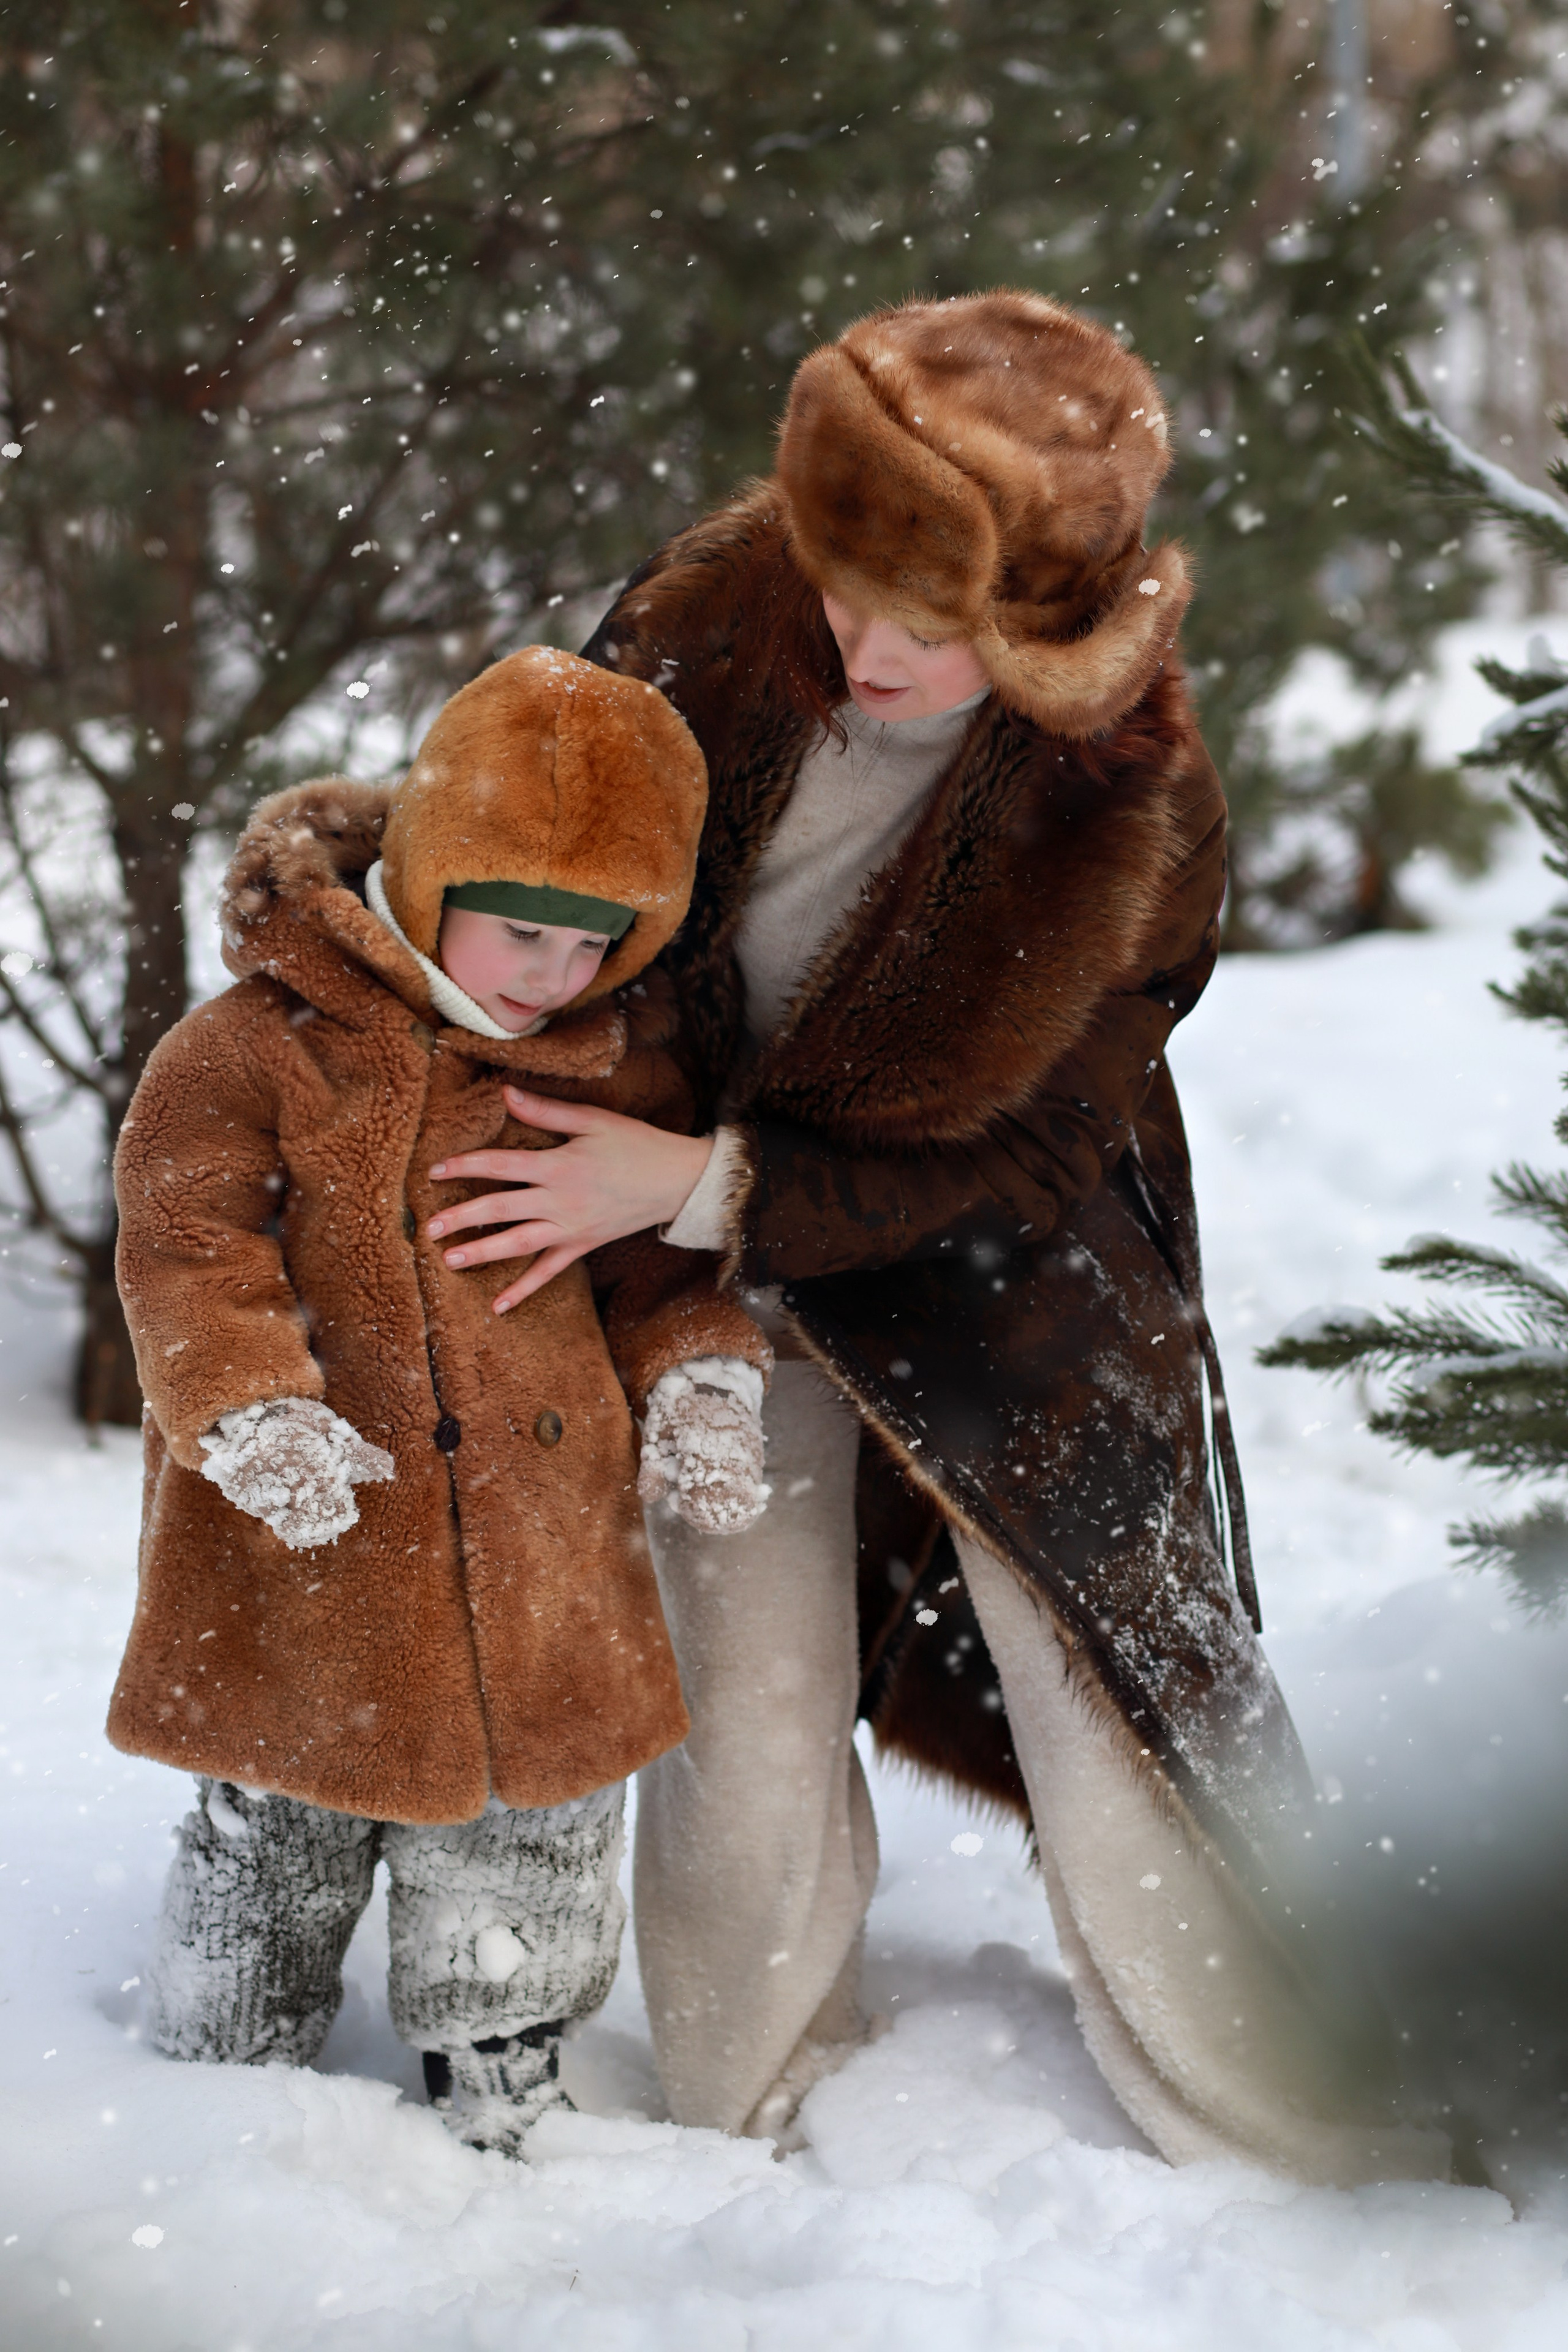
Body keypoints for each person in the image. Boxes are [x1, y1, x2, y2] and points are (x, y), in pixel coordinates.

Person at [426, 295, 1448, 2184]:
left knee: (1117, 1679)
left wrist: (705, 1183)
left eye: (941, 624)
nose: (874, 652)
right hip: (679, 1260)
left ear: (1052, 630)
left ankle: (1301, 2115)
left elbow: (1044, 1145)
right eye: (852, 587)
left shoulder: (1135, 800)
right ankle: (750, 2107)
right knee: (741, 1681)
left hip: (999, 1268)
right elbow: (535, 878)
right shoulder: (702, 622)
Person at [107, 646, 773, 2157]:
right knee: (275, 1827)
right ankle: (212, 2086)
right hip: (309, 1543)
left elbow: (664, 1278)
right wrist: (249, 1406)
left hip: (546, 1557)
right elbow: (188, 1242)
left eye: (590, 940)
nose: (545, 976)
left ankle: (503, 2079)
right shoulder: (253, 1047)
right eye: (516, 927)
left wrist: (701, 1387)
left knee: (528, 1834)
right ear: (425, 875)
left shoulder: (619, 1077)